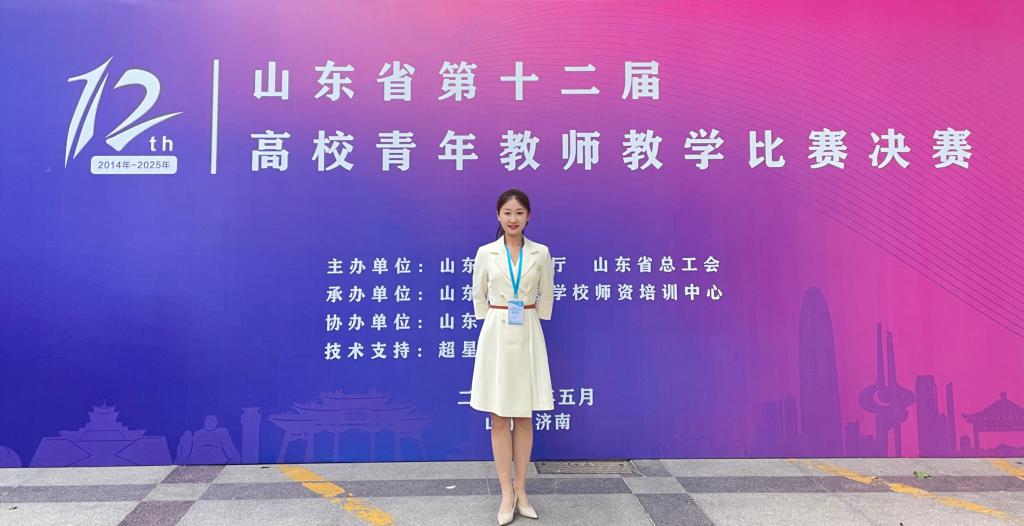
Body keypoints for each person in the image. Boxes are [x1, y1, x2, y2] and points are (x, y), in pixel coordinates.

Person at [469, 188, 555, 525]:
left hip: (528, 330)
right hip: (497, 332)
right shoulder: (486, 253)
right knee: (499, 416)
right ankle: (506, 492)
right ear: (498, 216)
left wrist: (536, 316)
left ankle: (522, 489)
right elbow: (478, 294)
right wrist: (491, 318)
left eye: (519, 212)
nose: (513, 219)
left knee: (524, 416)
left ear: (528, 216)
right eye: (507, 213)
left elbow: (547, 293)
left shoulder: (541, 253)